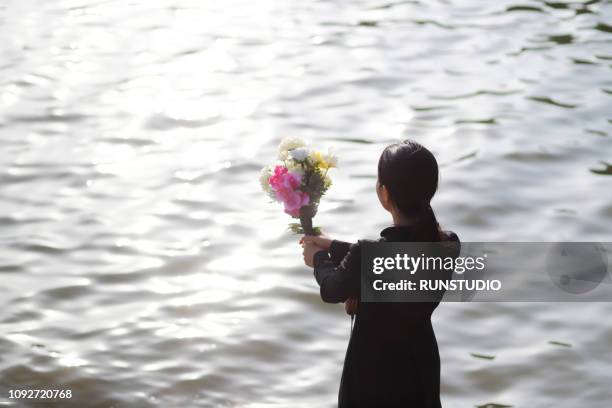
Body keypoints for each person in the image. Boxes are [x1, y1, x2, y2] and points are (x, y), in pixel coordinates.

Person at [301, 140, 459, 408]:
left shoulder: (368, 254)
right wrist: (335, 246)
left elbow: (333, 289)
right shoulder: (448, 244)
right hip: (420, 374)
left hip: (373, 380)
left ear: (384, 193)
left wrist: (318, 259)